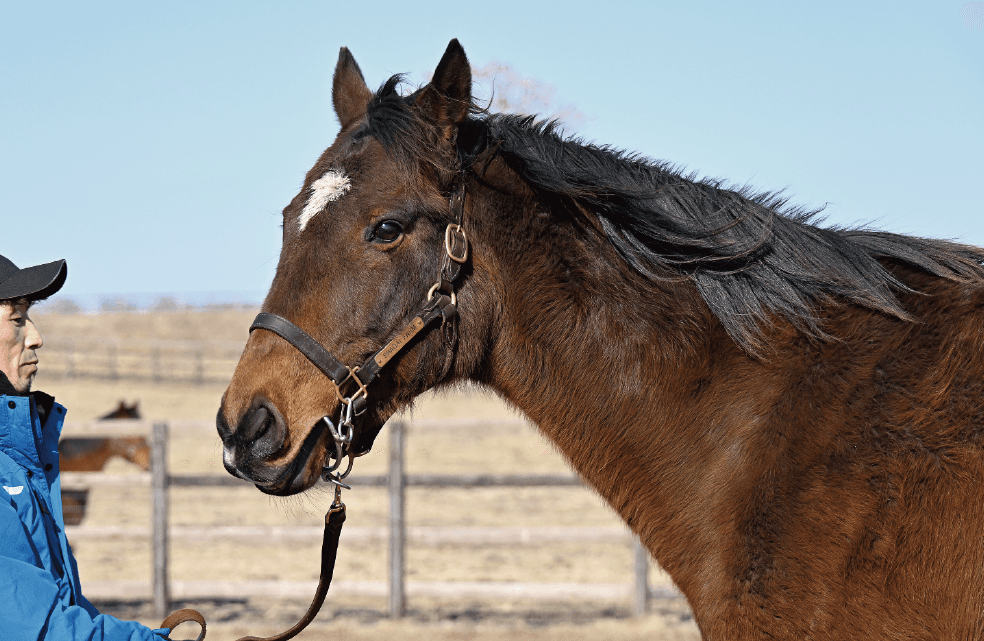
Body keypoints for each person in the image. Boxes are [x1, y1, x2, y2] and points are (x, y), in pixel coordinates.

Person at [0, 254, 172, 640]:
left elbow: (63, 606)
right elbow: (40, 629)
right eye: (17, 318)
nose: (35, 336)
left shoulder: (17, 464)